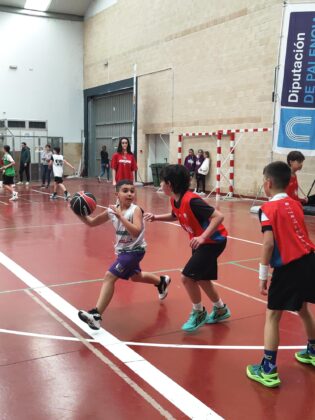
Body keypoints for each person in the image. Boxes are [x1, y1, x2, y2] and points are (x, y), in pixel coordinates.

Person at [246, 161, 315, 388]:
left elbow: (268, 244)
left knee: (273, 316)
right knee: (302, 308)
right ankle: (313, 351)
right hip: (309, 260)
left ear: (267, 183)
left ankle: (268, 369)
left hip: (289, 267)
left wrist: (262, 274)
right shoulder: (295, 204)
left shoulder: (267, 209)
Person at [144, 164, 231, 332]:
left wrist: (202, 236)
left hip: (212, 242)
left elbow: (218, 216)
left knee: (186, 278)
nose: (160, 185)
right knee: (202, 278)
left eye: (162, 181)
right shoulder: (175, 199)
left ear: (169, 184)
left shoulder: (192, 200)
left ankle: (198, 312)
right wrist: (155, 218)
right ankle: (220, 309)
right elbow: (174, 215)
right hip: (201, 242)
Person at [77, 179, 171, 330]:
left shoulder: (135, 210)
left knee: (109, 277)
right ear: (117, 194)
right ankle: (161, 281)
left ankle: (96, 315)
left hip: (135, 251)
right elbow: (92, 222)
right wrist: (78, 212)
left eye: (132, 191)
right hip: (122, 251)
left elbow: (135, 232)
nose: (129, 194)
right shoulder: (111, 211)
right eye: (125, 190)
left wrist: (120, 216)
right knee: (135, 276)